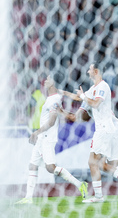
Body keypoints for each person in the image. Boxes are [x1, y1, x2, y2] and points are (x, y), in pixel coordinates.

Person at [71, 62, 118, 203]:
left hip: (110, 131)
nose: (87, 70)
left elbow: (93, 103)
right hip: (113, 131)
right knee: (107, 165)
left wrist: (82, 97)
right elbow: (79, 98)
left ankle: (104, 194)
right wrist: (60, 93)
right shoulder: (92, 90)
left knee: (95, 162)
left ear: (95, 71)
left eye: (90, 68)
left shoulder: (102, 87)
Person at [57, 89, 118, 201]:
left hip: (108, 131)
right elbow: (84, 113)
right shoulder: (97, 99)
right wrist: (67, 94)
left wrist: (60, 110)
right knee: (112, 165)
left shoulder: (87, 100)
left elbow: (74, 117)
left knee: (97, 163)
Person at [16, 75, 88, 204]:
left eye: (48, 79)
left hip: (47, 137)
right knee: (33, 165)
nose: (45, 80)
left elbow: (52, 120)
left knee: (51, 168)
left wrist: (36, 132)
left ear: (53, 82)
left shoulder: (54, 99)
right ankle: (28, 197)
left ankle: (80, 184)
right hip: (42, 138)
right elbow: (67, 97)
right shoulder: (53, 96)